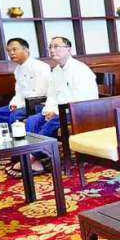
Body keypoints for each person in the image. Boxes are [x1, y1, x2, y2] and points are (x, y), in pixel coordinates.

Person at [25, 36, 98, 172]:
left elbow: (82, 98)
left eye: (56, 46)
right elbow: (52, 95)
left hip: (80, 111)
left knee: (53, 121)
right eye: (50, 47)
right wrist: (49, 110)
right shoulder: (56, 71)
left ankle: (31, 158)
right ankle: (41, 158)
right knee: (32, 120)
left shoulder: (80, 69)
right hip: (60, 110)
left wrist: (56, 112)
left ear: (68, 49)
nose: (52, 50)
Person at [0, 37, 51, 127]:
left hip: (38, 103)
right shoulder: (17, 70)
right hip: (22, 104)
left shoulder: (40, 66)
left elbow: (39, 92)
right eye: (9, 51)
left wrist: (20, 105)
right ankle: (1, 135)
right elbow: (19, 92)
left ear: (26, 50)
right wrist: (14, 104)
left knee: (14, 115)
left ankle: (15, 136)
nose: (11, 53)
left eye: (14, 49)